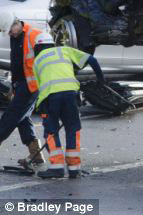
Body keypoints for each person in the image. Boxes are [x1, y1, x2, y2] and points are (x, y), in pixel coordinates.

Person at [32, 32, 105, 179]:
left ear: (37, 47)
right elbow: (92, 59)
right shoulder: (64, 50)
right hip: (71, 95)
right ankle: (74, 168)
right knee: (73, 129)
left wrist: (41, 107)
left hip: (50, 97)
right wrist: (100, 80)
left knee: (51, 132)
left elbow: (41, 87)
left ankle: (57, 168)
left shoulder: (37, 61)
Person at [0, 11, 44, 168]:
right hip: (21, 84)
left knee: (11, 116)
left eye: (10, 31)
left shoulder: (34, 35)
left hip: (32, 85)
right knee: (22, 117)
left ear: (16, 23)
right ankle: (36, 153)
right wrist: (13, 85)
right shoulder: (15, 36)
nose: (9, 34)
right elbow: (17, 62)